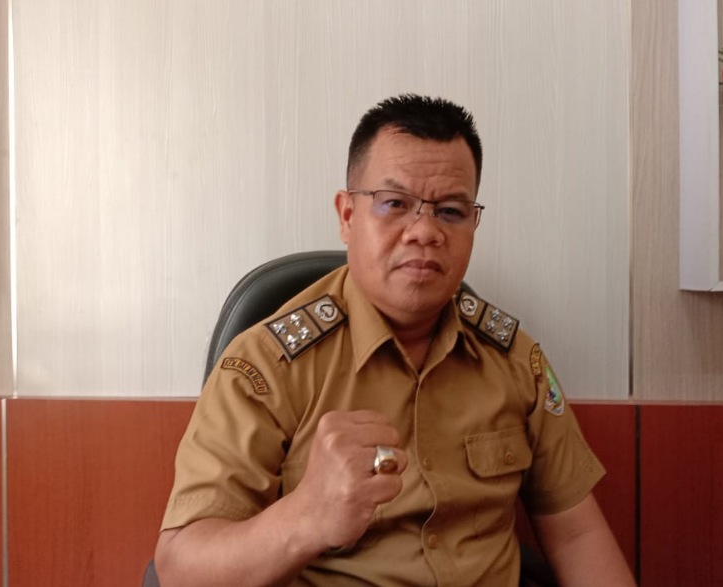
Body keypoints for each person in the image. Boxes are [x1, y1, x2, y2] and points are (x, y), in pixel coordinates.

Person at [155, 94, 636, 587]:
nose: (424, 231)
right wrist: (307, 515)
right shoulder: (266, 367)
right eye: (394, 204)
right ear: (347, 215)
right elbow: (180, 568)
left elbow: (576, 535)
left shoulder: (515, 361)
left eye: (451, 211)